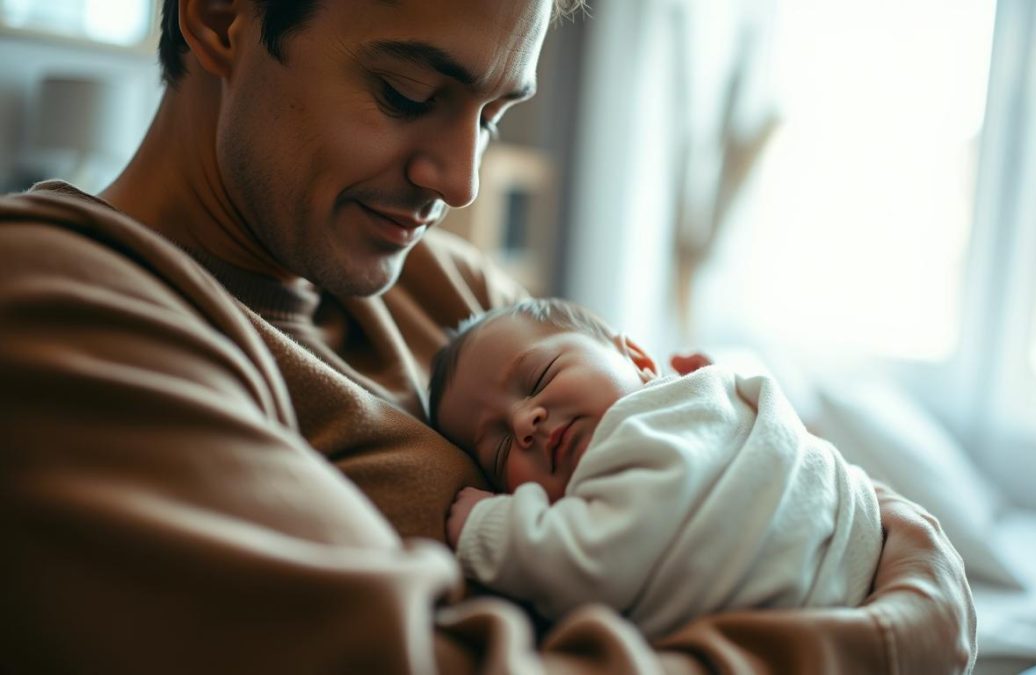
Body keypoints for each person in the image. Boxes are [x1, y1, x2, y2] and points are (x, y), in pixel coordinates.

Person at [0, 0, 976, 672]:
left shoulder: (428, 282)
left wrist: (900, 550)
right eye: (408, 95)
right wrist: (888, 641)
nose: (458, 181)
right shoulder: (59, 308)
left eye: (493, 112)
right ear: (219, 18)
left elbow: (715, 446)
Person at [430, 298, 883, 639]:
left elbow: (587, 564)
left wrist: (487, 525)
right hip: (824, 624)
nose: (524, 422)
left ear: (640, 361)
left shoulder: (695, 402)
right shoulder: (604, 490)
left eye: (540, 377)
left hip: (848, 573)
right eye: (500, 449)